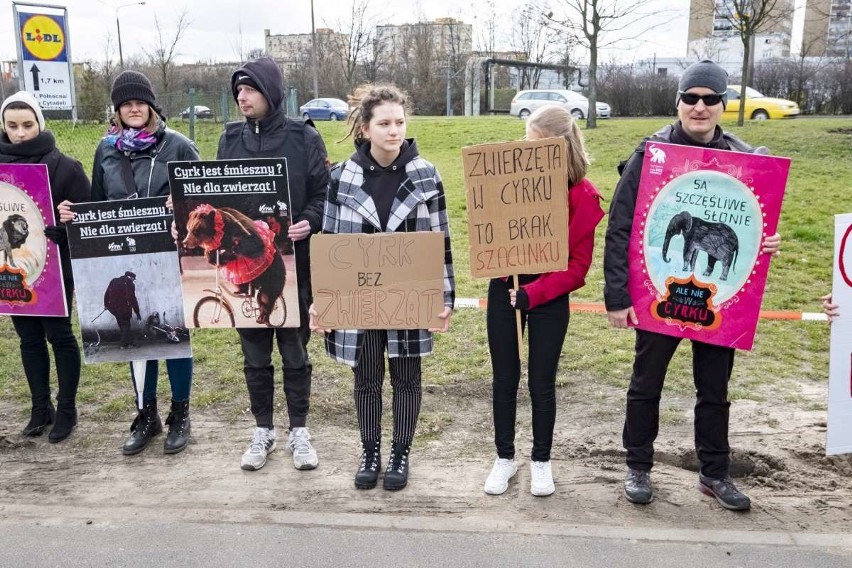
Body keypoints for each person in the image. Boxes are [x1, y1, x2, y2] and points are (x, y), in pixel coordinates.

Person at [603, 60, 782, 511]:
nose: (699, 107)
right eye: (690, 98)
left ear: (723, 104)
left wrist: (767, 241)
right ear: (678, 102)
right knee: (646, 383)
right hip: (657, 294)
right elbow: (620, 228)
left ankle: (715, 473)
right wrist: (618, 296)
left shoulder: (746, 161)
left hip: (718, 301)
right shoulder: (651, 155)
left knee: (715, 389)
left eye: (709, 99)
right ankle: (638, 465)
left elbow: (752, 224)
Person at [310, 84, 454, 491]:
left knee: (408, 378)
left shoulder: (426, 174)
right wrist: (324, 302)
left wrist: (444, 298)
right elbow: (330, 242)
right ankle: (370, 451)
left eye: (400, 122)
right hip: (360, 299)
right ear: (365, 127)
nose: (394, 131)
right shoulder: (342, 176)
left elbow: (441, 240)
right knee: (367, 379)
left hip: (409, 297)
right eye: (384, 123)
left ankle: (400, 453)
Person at [59, 70, 199, 455]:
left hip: (167, 257)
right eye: (126, 103)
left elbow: (201, 197)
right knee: (135, 337)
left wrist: (182, 204)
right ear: (117, 110)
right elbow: (98, 204)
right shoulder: (106, 150)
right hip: (123, 258)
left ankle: (180, 413)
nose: (134, 108)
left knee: (171, 334)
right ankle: (146, 413)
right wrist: (75, 215)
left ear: (152, 106)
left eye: (140, 102)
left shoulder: (178, 146)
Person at [483, 105, 605, 497]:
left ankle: (541, 460)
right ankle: (505, 457)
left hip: (548, 297)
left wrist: (534, 294)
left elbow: (578, 267)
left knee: (541, 383)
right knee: (504, 378)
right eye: (525, 141)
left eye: (535, 145)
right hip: (506, 289)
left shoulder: (582, 196)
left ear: (561, 148)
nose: (526, 151)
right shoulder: (510, 180)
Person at [217, 57, 328, 472]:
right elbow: (219, 197)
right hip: (246, 262)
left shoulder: (304, 138)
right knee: (254, 353)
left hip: (293, 264)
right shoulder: (229, 140)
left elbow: (323, 192)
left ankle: (299, 429)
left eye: (250, 89)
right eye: (237, 92)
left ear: (272, 92)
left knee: (295, 351)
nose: (242, 97)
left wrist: (309, 221)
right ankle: (263, 429)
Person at [0, 90, 90, 442]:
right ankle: (40, 408)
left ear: (40, 123)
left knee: (59, 336)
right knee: (28, 339)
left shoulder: (64, 167)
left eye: (27, 125)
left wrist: (65, 230)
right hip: (12, 270)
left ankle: (66, 407)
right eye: (12, 126)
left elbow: (87, 219)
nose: (20, 133)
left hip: (53, 265)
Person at [104, 270, 141, 348]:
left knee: (123, 326)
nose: (133, 281)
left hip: (114, 309)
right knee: (126, 326)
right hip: (125, 309)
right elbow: (133, 299)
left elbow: (107, 293)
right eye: (133, 279)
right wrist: (137, 312)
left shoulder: (114, 281)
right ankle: (123, 345)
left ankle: (129, 343)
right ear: (130, 277)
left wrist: (106, 304)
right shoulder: (130, 284)